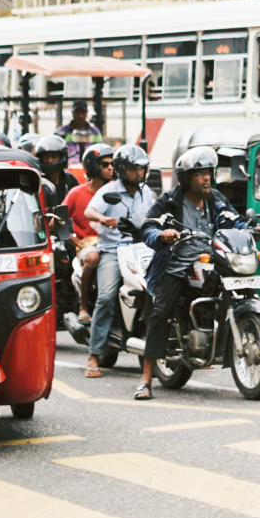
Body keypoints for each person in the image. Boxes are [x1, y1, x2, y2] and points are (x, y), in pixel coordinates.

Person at [134, 145, 260, 401]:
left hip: (213, 260)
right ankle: (146, 378)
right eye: (199, 174)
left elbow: (233, 220)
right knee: (162, 312)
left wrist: (254, 228)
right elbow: (147, 227)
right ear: (185, 178)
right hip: (177, 264)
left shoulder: (216, 198)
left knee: (245, 290)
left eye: (208, 173)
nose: (206, 178)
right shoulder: (170, 201)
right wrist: (162, 235)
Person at [85, 144, 156, 377]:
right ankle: (94, 356)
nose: (139, 173)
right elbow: (89, 212)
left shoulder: (147, 192)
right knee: (105, 296)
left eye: (141, 169)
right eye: (134, 169)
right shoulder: (109, 190)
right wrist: (103, 219)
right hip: (113, 251)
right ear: (122, 169)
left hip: (143, 249)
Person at [64, 145, 111, 331]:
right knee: (93, 257)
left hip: (114, 244)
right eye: (105, 164)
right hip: (89, 247)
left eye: (113, 164)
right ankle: (83, 306)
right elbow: (55, 222)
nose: (110, 168)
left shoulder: (117, 192)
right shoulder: (76, 193)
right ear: (92, 166)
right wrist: (75, 241)